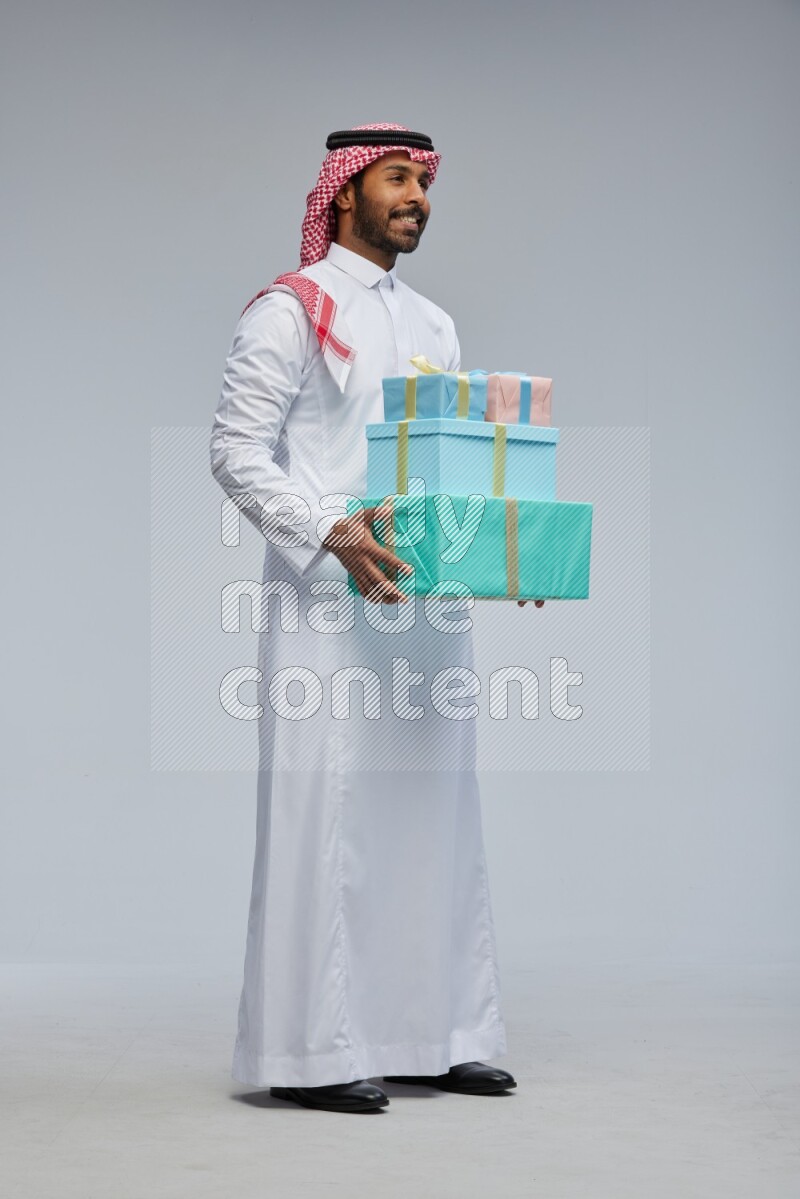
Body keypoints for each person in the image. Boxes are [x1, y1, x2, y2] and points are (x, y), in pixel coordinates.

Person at [209, 123, 541, 1114]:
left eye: (425, 183)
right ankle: (311, 1051)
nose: (416, 197)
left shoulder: (436, 323)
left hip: (426, 608)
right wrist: (328, 531)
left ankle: (438, 1033)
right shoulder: (289, 309)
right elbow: (234, 449)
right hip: (326, 602)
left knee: (434, 817)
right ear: (343, 191)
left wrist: (501, 556)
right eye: (396, 178)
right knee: (327, 819)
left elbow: (447, 467)